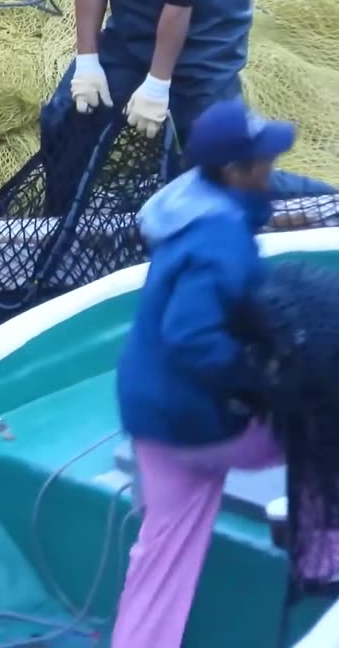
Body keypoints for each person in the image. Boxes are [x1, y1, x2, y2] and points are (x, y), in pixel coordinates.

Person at [110, 99, 336, 646]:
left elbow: (277, 186)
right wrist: (258, 378)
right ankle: (324, 557)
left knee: (161, 558)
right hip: (206, 426)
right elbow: (191, 335)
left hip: (149, 419)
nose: (272, 164)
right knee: (321, 412)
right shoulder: (221, 240)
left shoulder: (190, 204)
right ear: (236, 171)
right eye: (263, 157)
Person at [47, 0, 332, 200]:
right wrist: (87, 61)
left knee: (228, 164)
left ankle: (327, 202)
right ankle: (59, 222)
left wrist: (158, 84)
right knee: (63, 120)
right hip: (133, 26)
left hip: (207, 32)